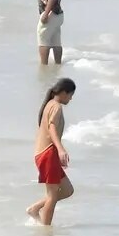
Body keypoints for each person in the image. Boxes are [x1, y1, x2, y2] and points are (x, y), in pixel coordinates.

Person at [26, 78, 76, 225]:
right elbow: (52, 127)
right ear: (64, 93)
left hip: (47, 154)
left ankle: (34, 209)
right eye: (71, 95)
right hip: (48, 153)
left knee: (67, 190)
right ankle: (45, 232)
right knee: (52, 196)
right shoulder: (56, 107)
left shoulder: (49, 104)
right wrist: (61, 149)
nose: (71, 98)